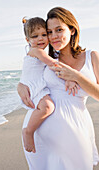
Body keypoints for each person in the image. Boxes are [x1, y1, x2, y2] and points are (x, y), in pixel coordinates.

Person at [17, 7, 99, 170]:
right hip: (40, 135)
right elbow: (30, 76)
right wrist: (20, 86)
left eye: (59, 30)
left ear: (72, 30)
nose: (53, 36)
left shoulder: (92, 56)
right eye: (49, 31)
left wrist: (75, 76)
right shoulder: (45, 58)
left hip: (75, 129)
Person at [20, 17, 79, 153]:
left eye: (44, 35)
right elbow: (54, 64)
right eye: (35, 36)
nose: (40, 39)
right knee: (48, 107)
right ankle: (28, 132)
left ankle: (29, 130)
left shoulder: (40, 52)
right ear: (27, 40)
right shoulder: (36, 51)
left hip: (36, 85)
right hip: (33, 87)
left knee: (47, 106)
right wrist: (70, 78)